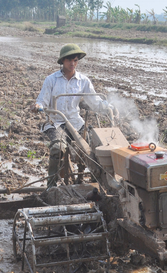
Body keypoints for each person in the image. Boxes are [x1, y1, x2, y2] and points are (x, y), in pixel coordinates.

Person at [34, 43, 111, 187]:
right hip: (56, 122)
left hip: (76, 122)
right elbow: (42, 101)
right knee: (58, 148)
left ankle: (94, 183)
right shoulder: (51, 80)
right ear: (62, 61)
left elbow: (94, 101)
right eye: (70, 60)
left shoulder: (83, 81)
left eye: (75, 60)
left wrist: (109, 108)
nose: (73, 63)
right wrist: (38, 106)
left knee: (94, 149)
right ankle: (51, 185)